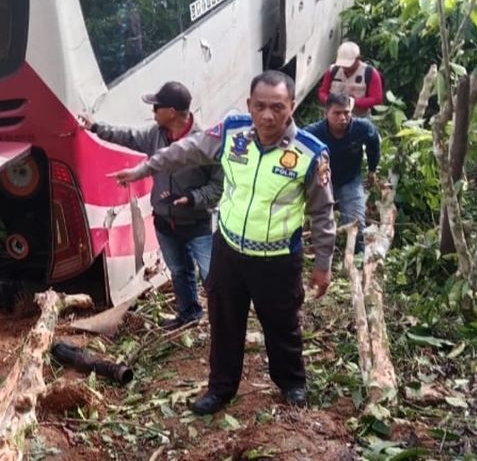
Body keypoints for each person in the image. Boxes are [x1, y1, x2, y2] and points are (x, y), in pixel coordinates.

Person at [110, 71, 335, 415]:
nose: (268, 115)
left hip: (277, 259)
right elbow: (185, 151)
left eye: (277, 107)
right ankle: (221, 389)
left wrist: (323, 265)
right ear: (249, 105)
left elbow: (322, 213)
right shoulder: (232, 133)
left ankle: (291, 384)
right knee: (225, 322)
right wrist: (145, 169)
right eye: (260, 106)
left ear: (291, 107)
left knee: (281, 323)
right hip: (228, 250)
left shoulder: (310, 154)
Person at [80, 81, 222, 329]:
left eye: (157, 107)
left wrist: (192, 199)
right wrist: (96, 127)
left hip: (197, 223)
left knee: (212, 276)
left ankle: (225, 321)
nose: (152, 111)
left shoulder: (205, 142)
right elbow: (127, 135)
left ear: (171, 112)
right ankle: (189, 313)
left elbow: (218, 188)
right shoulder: (155, 135)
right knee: (179, 271)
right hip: (166, 221)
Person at [304, 93, 380, 255]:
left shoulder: (363, 128)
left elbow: (374, 145)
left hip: (350, 181)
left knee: (356, 227)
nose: (343, 118)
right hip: (322, 182)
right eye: (337, 113)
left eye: (346, 113)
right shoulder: (312, 133)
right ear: (326, 113)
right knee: (320, 227)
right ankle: (321, 257)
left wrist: (372, 169)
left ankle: (358, 259)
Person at [317, 41, 384, 117]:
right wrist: (329, 100)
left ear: (358, 59)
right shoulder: (332, 70)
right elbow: (322, 91)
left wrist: (353, 102)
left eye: (348, 64)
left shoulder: (370, 73)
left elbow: (377, 99)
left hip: (359, 117)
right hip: (333, 118)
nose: (345, 67)